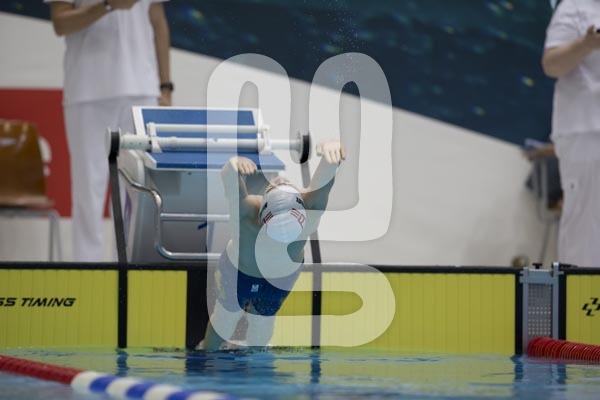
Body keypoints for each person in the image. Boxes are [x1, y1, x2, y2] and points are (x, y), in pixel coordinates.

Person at [46, 0, 172, 261]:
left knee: (138, 191)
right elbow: (60, 23)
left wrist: (165, 86)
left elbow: (157, 20)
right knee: (88, 192)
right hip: (88, 90)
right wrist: (106, 6)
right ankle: (88, 272)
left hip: (142, 90)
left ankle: (130, 270)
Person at [198, 139, 345, 351]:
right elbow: (326, 179)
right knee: (262, 323)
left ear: (262, 208)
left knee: (224, 320)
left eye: (276, 186)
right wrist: (333, 152)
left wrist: (232, 165)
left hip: (238, 273)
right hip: (279, 279)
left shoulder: (247, 212)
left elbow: (229, 181)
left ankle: (205, 357)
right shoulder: (310, 210)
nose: (281, 179)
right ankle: (256, 360)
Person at [542, 0, 600, 267]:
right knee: (586, 228)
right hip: (586, 130)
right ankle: (578, 293)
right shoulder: (577, 6)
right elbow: (551, 65)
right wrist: (586, 44)